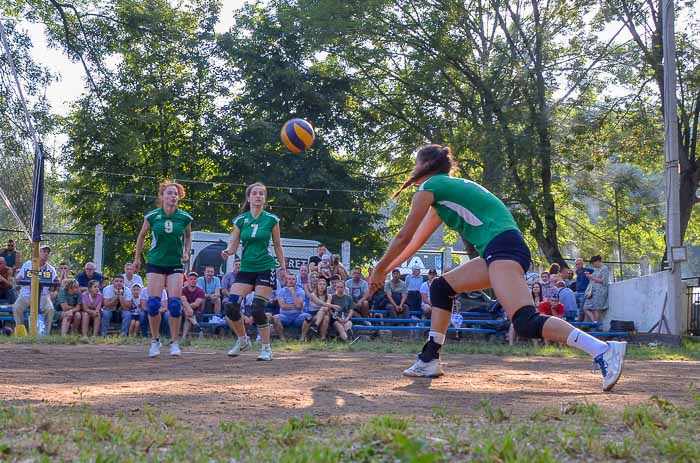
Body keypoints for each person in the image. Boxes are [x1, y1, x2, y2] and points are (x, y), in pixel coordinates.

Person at [368, 144, 625, 391]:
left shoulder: (431, 186)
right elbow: (415, 242)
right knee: (441, 287)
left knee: (525, 321)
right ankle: (429, 359)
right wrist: (385, 269)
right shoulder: (444, 192)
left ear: (425, 165)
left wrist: (380, 269)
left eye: (415, 164)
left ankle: (603, 349)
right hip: (499, 250)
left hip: (503, 248)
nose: (413, 169)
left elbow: (404, 236)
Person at [220, 182, 287, 361]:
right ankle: (243, 341)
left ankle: (266, 348)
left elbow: (278, 246)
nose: (258, 196)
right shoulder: (240, 221)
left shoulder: (271, 219)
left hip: (265, 267)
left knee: (257, 308)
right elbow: (233, 246)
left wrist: (283, 269)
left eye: (261, 194)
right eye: (255, 193)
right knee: (231, 305)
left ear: (264, 199)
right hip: (247, 268)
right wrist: (227, 252)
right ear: (249, 198)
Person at [134, 181, 193, 357]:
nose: (173, 196)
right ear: (162, 196)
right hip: (156, 262)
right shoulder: (152, 216)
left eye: (175, 193)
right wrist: (137, 257)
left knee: (174, 305)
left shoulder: (184, 217)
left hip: (175, 263)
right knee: (153, 304)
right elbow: (141, 237)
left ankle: (175, 343)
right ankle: (155, 340)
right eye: (169, 193)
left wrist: (186, 252)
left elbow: (188, 237)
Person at [12, 245, 57, 334]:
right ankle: (21, 332)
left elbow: (54, 285)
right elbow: (18, 279)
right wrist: (20, 280)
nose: (46, 254)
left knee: (50, 309)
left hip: (43, 296)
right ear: (37, 253)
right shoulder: (28, 264)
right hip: (26, 295)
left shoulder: (51, 269)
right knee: (16, 307)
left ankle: (45, 334)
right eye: (43, 251)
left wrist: (55, 285)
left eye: (47, 252)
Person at [583, 255, 610, 323]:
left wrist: (591, 277)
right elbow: (594, 279)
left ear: (597, 261)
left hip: (600, 292)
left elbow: (604, 281)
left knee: (596, 309)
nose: (592, 265)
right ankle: (594, 322)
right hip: (592, 292)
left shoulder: (604, 269)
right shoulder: (596, 269)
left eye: (593, 263)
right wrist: (589, 276)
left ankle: (595, 324)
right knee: (585, 308)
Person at [181, 271, 205, 339]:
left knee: (187, 315)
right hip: (186, 311)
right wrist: (187, 308)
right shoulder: (183, 290)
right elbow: (183, 300)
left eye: (194, 279)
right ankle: (195, 324)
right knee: (187, 312)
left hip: (197, 312)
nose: (193, 280)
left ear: (197, 280)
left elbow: (196, 304)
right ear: (188, 280)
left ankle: (184, 337)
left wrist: (187, 308)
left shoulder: (200, 291)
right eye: (191, 279)